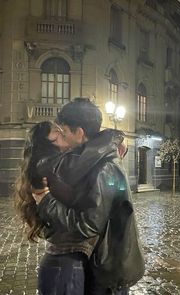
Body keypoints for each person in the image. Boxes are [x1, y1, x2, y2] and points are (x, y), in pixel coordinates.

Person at [15, 98, 144, 294]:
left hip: (109, 269)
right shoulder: (81, 162)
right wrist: (113, 139)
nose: (63, 137)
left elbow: (87, 225)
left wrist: (47, 202)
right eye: (58, 134)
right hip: (93, 263)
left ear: (80, 132)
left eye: (64, 132)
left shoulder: (101, 167)